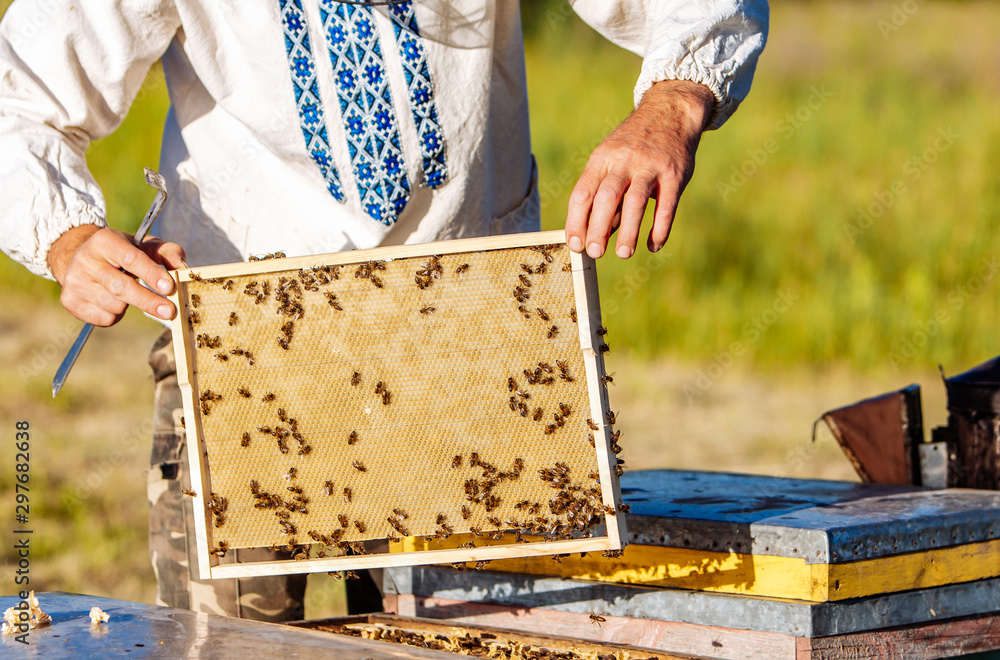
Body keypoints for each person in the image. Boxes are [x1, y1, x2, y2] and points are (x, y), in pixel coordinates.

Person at [0, 0, 768, 620]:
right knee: (232, 644)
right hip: (245, 345)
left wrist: (672, 101)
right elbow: (19, 98)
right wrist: (66, 238)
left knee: (462, 635)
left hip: (463, 333)